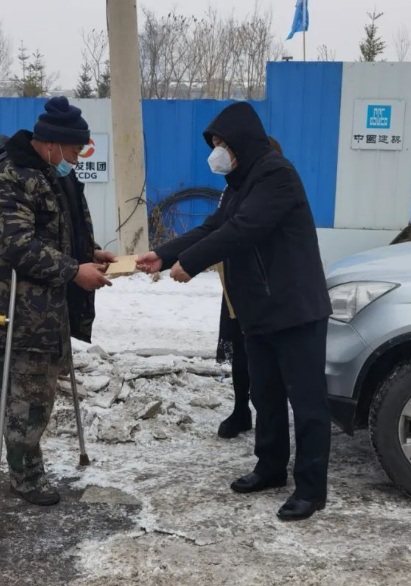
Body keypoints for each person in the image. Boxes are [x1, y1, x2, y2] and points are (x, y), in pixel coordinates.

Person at [137, 103, 332, 521]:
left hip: (295, 309)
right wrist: (164, 254)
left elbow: (243, 230)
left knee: (308, 404)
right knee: (265, 396)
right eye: (214, 143)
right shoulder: (238, 184)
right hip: (258, 310)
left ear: (242, 140)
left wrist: (191, 263)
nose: (217, 151)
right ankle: (270, 467)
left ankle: (311, 489)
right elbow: (214, 226)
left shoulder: (276, 175)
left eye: (222, 143)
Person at [0, 96, 115, 507]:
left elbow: (55, 232)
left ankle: (28, 466)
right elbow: (19, 246)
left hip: (47, 307)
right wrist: (74, 270)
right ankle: (25, 476)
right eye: (74, 150)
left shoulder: (50, 174)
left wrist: (88, 253)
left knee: (41, 392)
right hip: (17, 309)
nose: (77, 159)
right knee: (26, 398)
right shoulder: (6, 181)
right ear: (51, 143)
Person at [215, 136, 284, 440]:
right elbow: (217, 229)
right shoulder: (233, 189)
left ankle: (270, 420)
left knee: (266, 356)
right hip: (236, 283)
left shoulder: (278, 188)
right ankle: (240, 409)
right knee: (239, 348)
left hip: (268, 285)